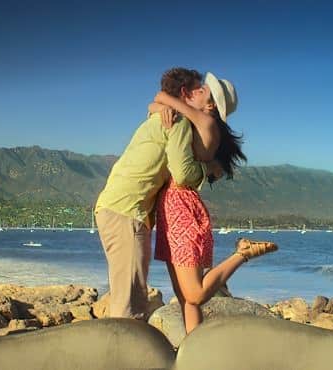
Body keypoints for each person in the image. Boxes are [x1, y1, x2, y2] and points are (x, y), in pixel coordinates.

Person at [149, 72, 278, 333]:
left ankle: (243, 253)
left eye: (205, 90)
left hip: (182, 206)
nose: (198, 90)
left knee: (195, 294)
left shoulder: (205, 121)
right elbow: (158, 105)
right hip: (170, 207)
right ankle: (193, 351)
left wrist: (162, 101)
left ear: (211, 105)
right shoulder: (198, 122)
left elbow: (161, 98)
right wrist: (160, 106)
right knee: (187, 299)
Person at [95, 68, 222, 320]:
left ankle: (123, 354)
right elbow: (184, 174)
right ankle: (123, 358)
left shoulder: (163, 117)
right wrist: (209, 169)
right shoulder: (179, 122)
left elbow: (156, 106)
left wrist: (157, 105)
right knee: (130, 304)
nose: (207, 100)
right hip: (127, 211)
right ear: (185, 94)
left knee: (131, 295)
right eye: (200, 90)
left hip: (118, 207)